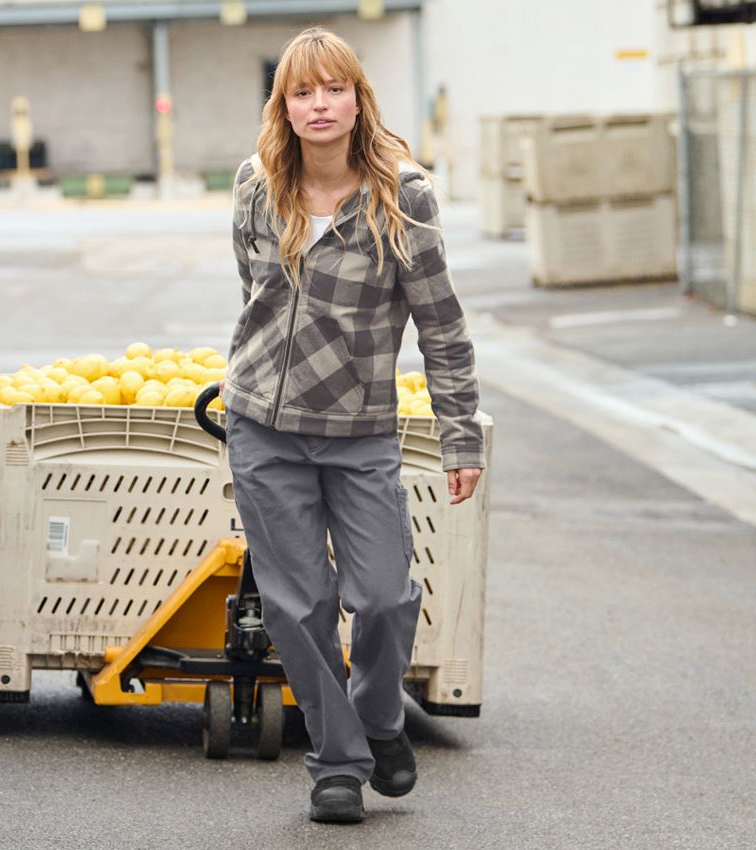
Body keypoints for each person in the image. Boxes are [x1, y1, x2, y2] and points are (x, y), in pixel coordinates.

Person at [218, 26, 484, 824]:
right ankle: (336, 764)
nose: (318, 104)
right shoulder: (255, 186)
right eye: (302, 92)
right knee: (297, 608)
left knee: (382, 596)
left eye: (333, 88)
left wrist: (459, 433)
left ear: (358, 97)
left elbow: (442, 326)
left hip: (362, 429)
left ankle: (375, 719)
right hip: (264, 429)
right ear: (285, 107)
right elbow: (254, 297)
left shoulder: (404, 195)